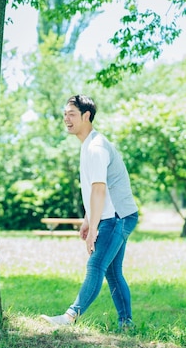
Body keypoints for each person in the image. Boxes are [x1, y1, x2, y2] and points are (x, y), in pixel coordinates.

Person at [41, 95, 139, 330]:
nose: (67, 119)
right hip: (115, 215)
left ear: (87, 116)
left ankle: (69, 317)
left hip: (116, 217)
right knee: (113, 273)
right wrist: (88, 220)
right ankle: (127, 324)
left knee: (96, 266)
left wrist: (94, 229)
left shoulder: (95, 148)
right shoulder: (90, 145)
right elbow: (93, 190)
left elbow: (99, 190)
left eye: (72, 114)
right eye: (65, 114)